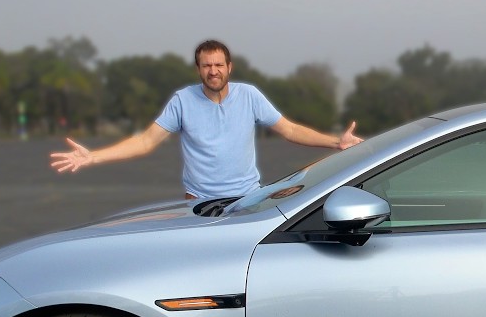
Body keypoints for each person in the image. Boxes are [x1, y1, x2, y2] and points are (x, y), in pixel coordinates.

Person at [50, 39, 362, 199]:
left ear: (229, 67)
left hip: (247, 198)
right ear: (198, 69)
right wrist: (92, 157)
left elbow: (290, 129)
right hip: (199, 202)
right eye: (205, 66)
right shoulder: (182, 101)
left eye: (218, 64)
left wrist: (336, 142)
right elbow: (146, 141)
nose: (212, 71)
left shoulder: (249, 95)